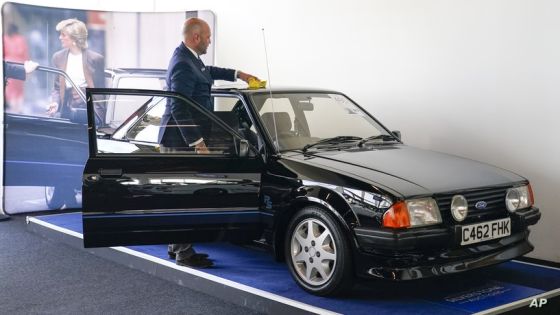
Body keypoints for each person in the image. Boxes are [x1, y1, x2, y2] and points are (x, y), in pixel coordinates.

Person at [159, 17, 259, 268]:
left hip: (183, 138)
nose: (210, 40)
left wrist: (240, 75)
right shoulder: (182, 63)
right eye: (208, 36)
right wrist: (199, 144)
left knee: (183, 196)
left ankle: (176, 247)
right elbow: (179, 108)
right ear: (196, 37)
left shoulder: (189, 58)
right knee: (183, 197)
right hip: (179, 140)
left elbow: (208, 72)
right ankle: (184, 253)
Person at [46, 19, 105, 123]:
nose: (60, 37)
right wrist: (55, 102)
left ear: (74, 38)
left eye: (63, 35)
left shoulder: (95, 59)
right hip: (66, 111)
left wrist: (99, 119)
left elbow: (100, 92)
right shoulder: (58, 57)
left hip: (87, 112)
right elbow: (57, 87)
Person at [3, 24, 31, 112]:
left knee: (10, 90)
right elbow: (26, 54)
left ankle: (13, 110)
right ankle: (18, 109)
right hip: (20, 67)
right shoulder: (21, 39)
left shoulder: (4, 38)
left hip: (8, 66)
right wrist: (28, 69)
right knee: (19, 90)